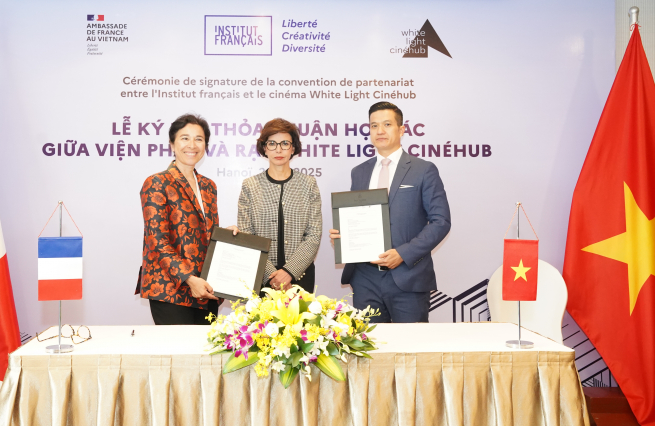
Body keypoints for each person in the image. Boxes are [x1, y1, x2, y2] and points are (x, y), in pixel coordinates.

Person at [330, 102, 451, 322]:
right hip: (365, 279)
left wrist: (403, 254)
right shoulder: (359, 172)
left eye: (387, 124)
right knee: (369, 343)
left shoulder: (423, 169)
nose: (380, 131)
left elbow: (440, 221)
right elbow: (357, 218)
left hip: (408, 276)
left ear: (401, 129)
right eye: (374, 125)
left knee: (412, 343)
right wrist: (343, 236)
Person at [137, 113, 221, 325]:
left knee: (206, 347)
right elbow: (157, 241)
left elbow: (207, 235)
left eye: (199, 139)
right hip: (170, 289)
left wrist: (227, 236)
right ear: (172, 144)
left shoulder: (209, 186)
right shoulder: (157, 182)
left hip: (205, 289)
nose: (192, 145)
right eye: (185, 138)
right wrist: (189, 280)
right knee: (177, 347)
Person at [237, 118, 322, 293]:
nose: (278, 149)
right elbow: (247, 235)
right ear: (264, 148)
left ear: (293, 148)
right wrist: (271, 275)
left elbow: (313, 235)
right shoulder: (250, 186)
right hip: (262, 276)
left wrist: (289, 272)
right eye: (272, 143)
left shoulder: (308, 184)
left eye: (284, 143)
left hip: (300, 275)